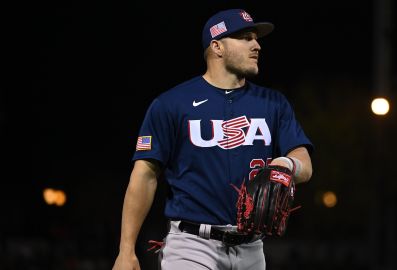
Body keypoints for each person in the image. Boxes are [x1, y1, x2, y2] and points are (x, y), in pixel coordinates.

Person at [112, 8, 313, 270]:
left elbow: (304, 164)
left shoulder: (273, 103)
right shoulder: (172, 104)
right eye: (245, 37)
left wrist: (287, 164)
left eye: (256, 38)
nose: (256, 45)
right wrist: (126, 250)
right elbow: (144, 175)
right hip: (192, 245)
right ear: (217, 46)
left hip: (252, 247)